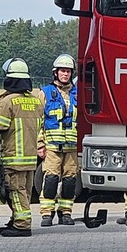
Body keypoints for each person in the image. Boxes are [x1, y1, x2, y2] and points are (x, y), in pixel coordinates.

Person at [0, 58, 43, 237]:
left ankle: (22, 224)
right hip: (30, 157)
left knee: (16, 190)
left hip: (14, 156)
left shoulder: (8, 101)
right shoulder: (36, 101)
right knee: (25, 191)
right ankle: (16, 220)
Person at [38, 54, 79, 227]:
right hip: (52, 146)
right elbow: (38, 120)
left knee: (70, 181)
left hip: (72, 147)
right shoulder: (45, 93)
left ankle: (66, 213)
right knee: (51, 180)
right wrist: (40, 144)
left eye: (68, 71)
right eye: (62, 71)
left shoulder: (78, 93)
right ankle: (47, 214)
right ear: (55, 73)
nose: (65, 74)